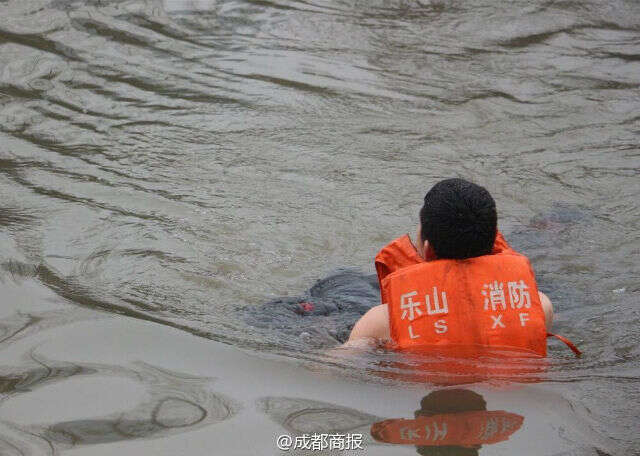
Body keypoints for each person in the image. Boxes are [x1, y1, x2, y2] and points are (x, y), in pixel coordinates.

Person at [345, 178, 570, 357]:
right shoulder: (539, 304)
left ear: (427, 248)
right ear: (494, 243)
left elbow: (331, 367)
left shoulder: (383, 321)